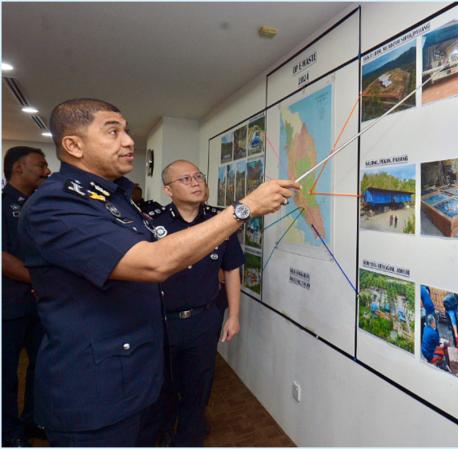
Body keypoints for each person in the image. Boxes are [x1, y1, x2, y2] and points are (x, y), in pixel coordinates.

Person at [17, 98, 299, 446]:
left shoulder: (116, 200)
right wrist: (245, 208)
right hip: (97, 392)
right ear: (73, 145)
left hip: (139, 377)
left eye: (127, 131)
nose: (128, 141)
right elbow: (154, 262)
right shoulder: (57, 203)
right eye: (112, 131)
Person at [149, 160, 244, 446]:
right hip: (161, 321)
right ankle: (161, 436)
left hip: (204, 319)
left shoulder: (220, 221)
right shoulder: (152, 222)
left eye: (198, 176)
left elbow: (232, 270)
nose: (195, 182)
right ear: (168, 189)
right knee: (160, 386)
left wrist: (233, 315)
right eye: (185, 179)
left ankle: (188, 438)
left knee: (198, 386)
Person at [2, 146, 51, 446]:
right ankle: (8, 434)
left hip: (40, 305)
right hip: (9, 306)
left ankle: (33, 420)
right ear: (18, 168)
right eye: (40, 165)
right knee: (6, 375)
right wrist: (42, 281)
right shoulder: (3, 205)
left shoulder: (38, 206)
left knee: (41, 367)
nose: (46, 170)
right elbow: (3, 258)